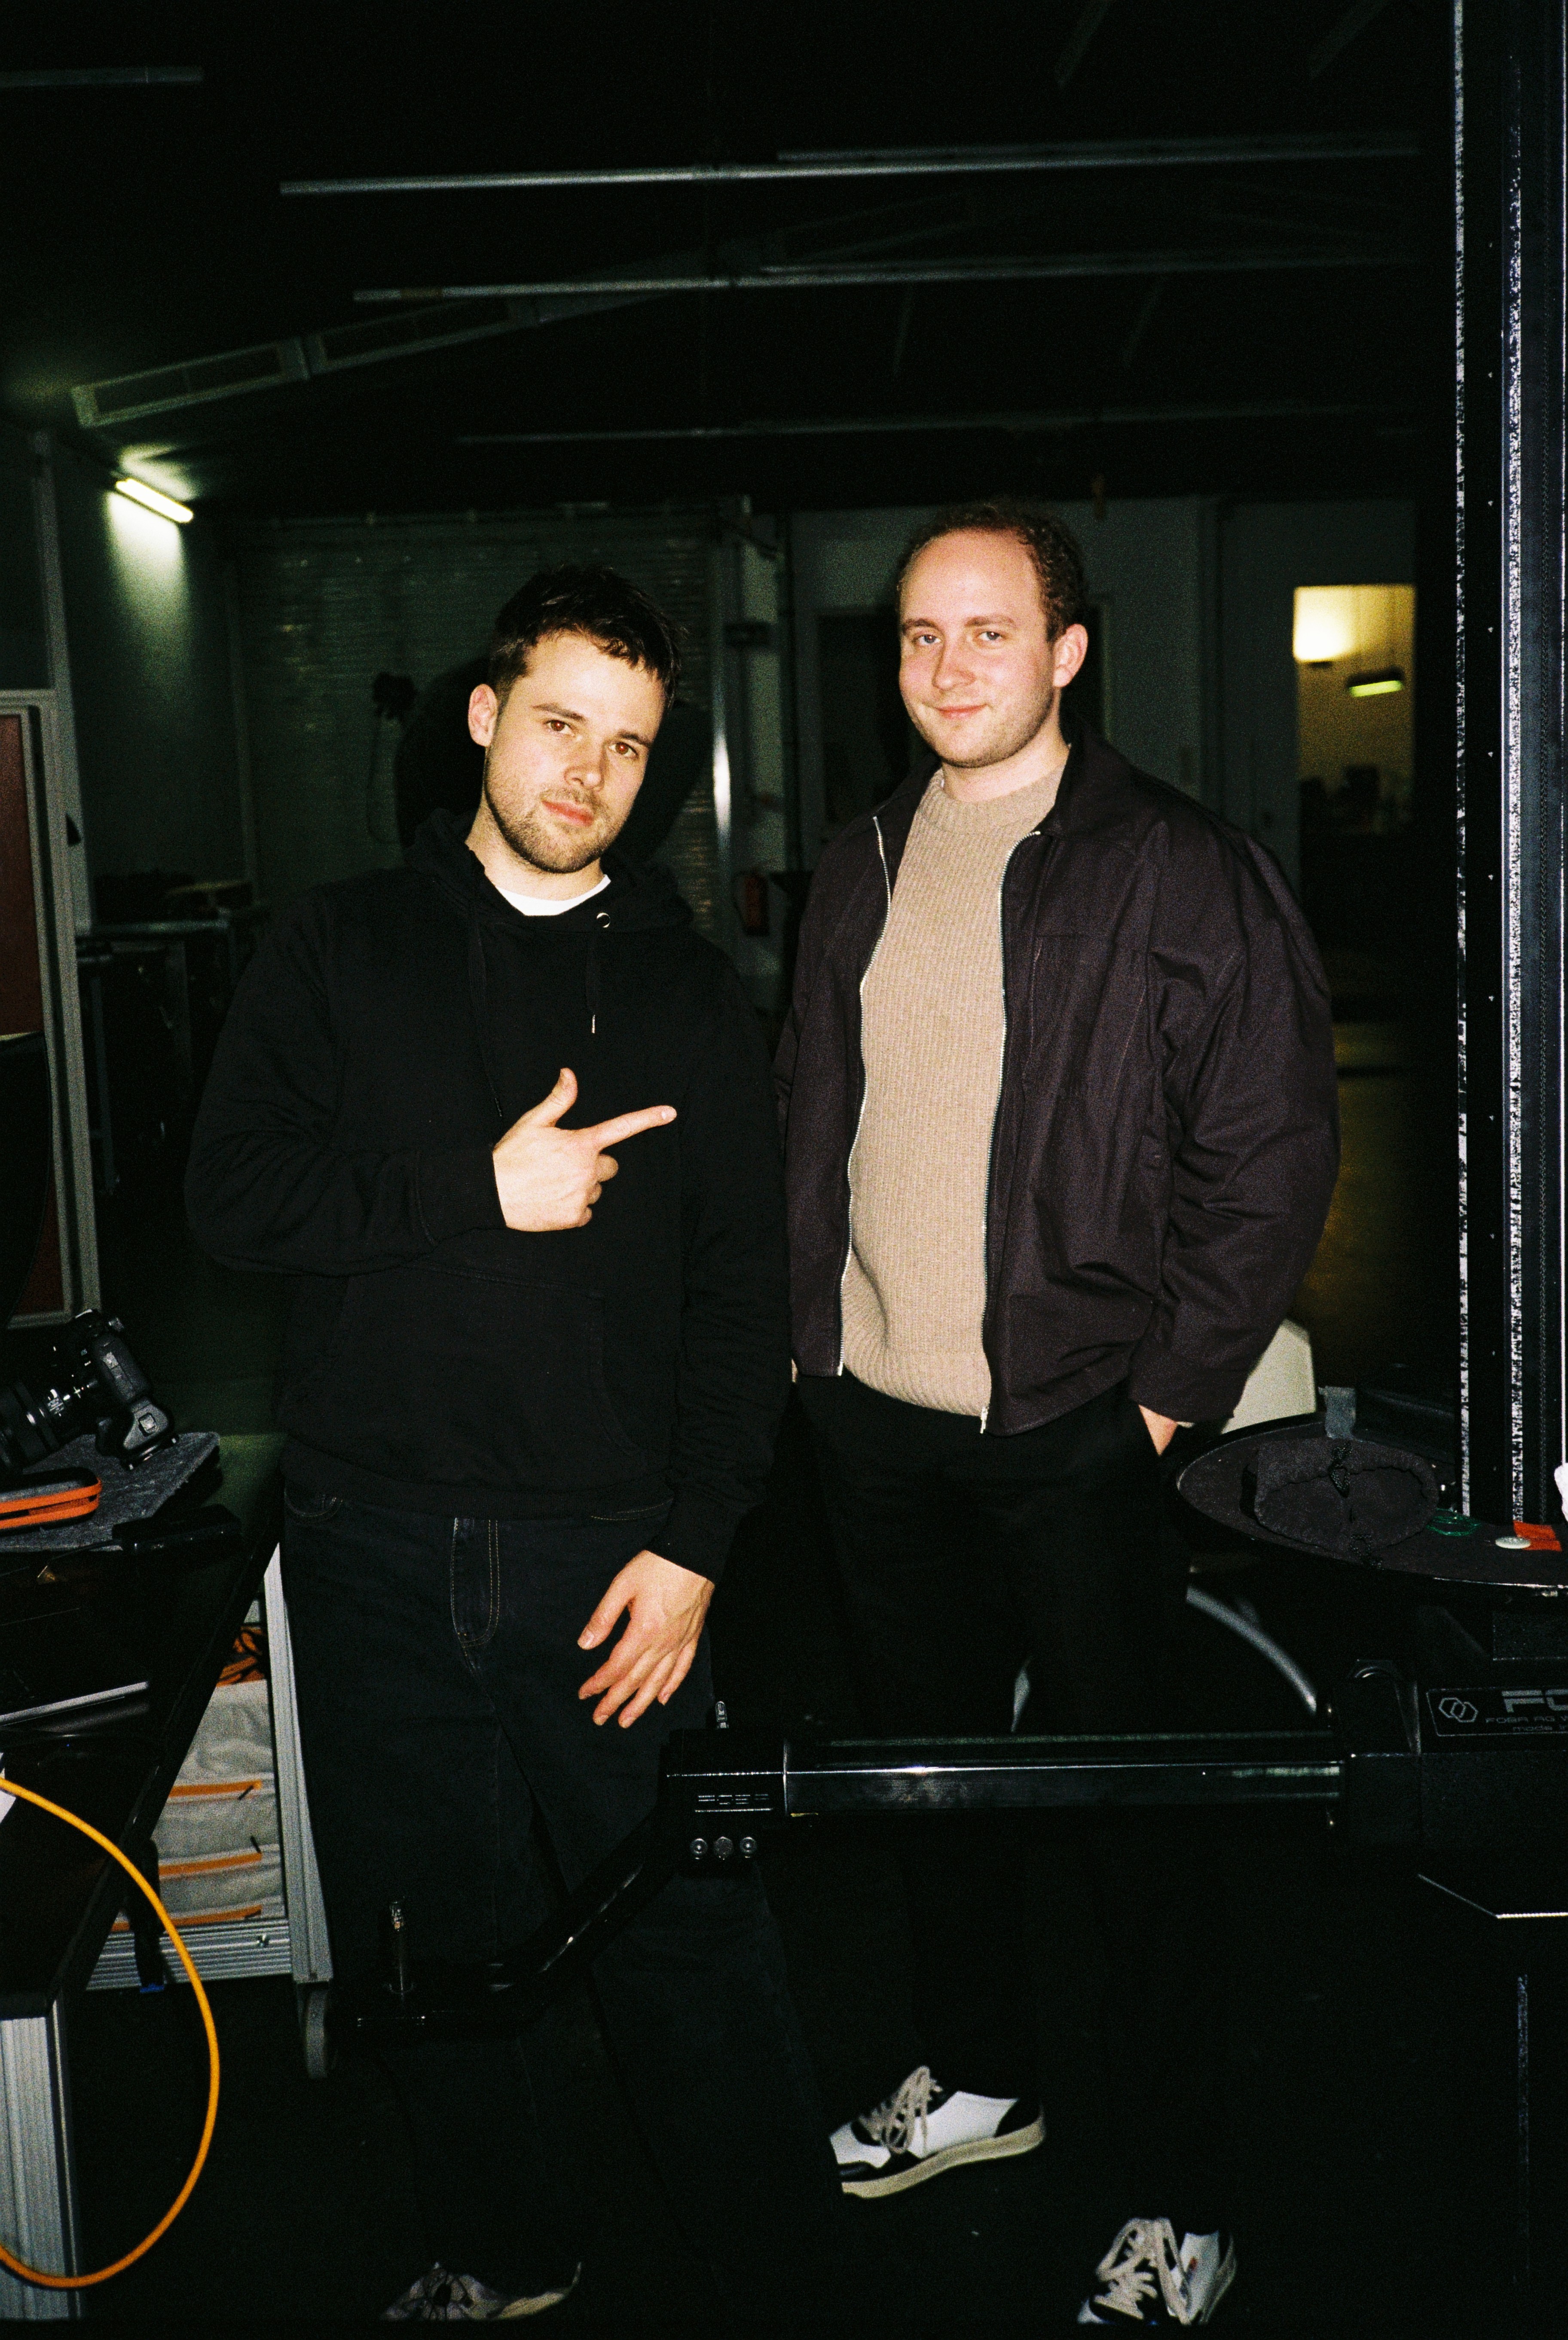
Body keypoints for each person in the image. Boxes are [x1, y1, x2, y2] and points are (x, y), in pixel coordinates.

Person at [187, 564, 839, 2322]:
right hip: (374, 1548)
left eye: (626, 746)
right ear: (482, 719)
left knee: (687, 1936)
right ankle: (506, 2249)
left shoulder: (694, 992)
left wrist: (702, 1540)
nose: (586, 773)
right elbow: (230, 1198)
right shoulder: (336, 947)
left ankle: (774, 2274)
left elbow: (738, 1299)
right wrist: (476, 1188)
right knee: (436, 1942)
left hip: (605, 1558)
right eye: (559, 725)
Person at [775, 500, 1339, 2327]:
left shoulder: (1181, 867)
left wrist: (1162, 1405)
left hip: (1081, 1427)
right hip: (876, 1431)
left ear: (1068, 650)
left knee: (1129, 1816)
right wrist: (808, 1352)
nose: (946, 666)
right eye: (921, 635)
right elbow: (817, 1121)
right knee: (936, 1791)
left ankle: (1186, 2191)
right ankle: (982, 2078)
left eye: (988, 631)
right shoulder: (858, 857)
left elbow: (1266, 1154)